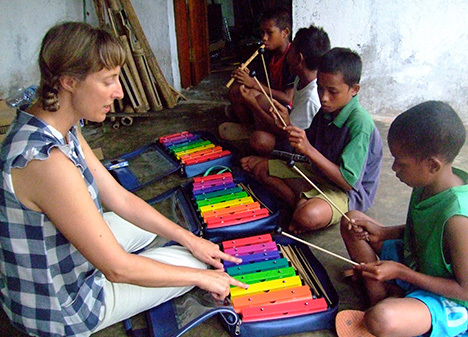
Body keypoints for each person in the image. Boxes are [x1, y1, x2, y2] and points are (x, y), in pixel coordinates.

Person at [0, 22, 247, 337]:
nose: (119, 92)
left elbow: (118, 197)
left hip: (62, 264)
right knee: (199, 266)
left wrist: (192, 239)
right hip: (61, 308)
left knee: (152, 228)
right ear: (68, 82)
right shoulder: (46, 163)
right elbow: (117, 268)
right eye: (108, 81)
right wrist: (201, 278)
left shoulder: (55, 120)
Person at [338, 101, 468, 337]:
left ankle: (389, 308)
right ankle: (381, 297)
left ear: (432, 165)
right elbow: (428, 230)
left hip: (450, 299)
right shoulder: (428, 181)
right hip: (417, 263)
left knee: (382, 319)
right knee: (352, 220)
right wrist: (384, 232)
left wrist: (401, 272)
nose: (394, 168)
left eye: (402, 162)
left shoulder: (459, 217)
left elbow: (465, 290)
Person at [241, 48, 383, 233]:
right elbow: (307, 144)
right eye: (320, 88)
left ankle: (303, 207)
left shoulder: (360, 124)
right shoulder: (328, 110)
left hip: (347, 192)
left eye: (332, 91)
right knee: (261, 170)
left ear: (354, 90)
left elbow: (348, 181)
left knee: (308, 216)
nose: (323, 98)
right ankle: (301, 203)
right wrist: (287, 124)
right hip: (319, 174)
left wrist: (308, 150)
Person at [245, 24, 330, 155]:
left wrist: (253, 105)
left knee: (259, 139)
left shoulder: (311, 99)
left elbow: (286, 134)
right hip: (293, 124)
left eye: (291, 49)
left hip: (299, 146)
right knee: (262, 99)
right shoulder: (302, 76)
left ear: (299, 58)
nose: (288, 52)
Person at [220, 6, 296, 141]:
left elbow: (287, 98)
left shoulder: (292, 57)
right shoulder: (268, 54)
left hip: (285, 108)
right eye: (262, 33)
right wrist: (245, 76)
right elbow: (258, 81)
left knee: (258, 99)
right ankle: (248, 126)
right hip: (271, 99)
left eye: (269, 33)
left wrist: (254, 84)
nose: (264, 38)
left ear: (285, 33)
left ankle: (257, 128)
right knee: (237, 89)